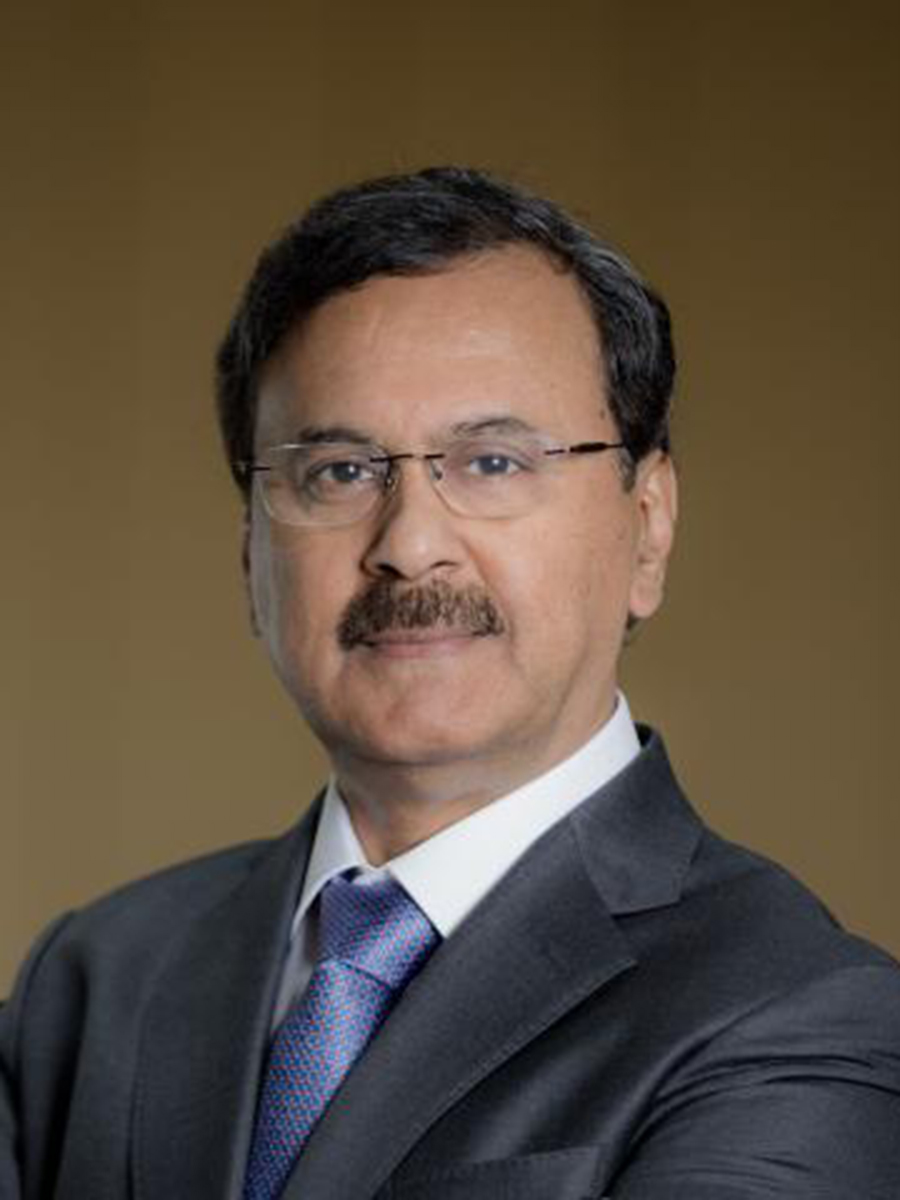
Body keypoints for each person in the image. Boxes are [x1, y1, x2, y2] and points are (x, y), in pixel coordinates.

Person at [2, 167, 899, 1200]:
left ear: (648, 527)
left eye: (494, 462)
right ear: (250, 551)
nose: (410, 544)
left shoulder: (800, 1012)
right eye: (340, 472)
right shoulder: (96, 981)